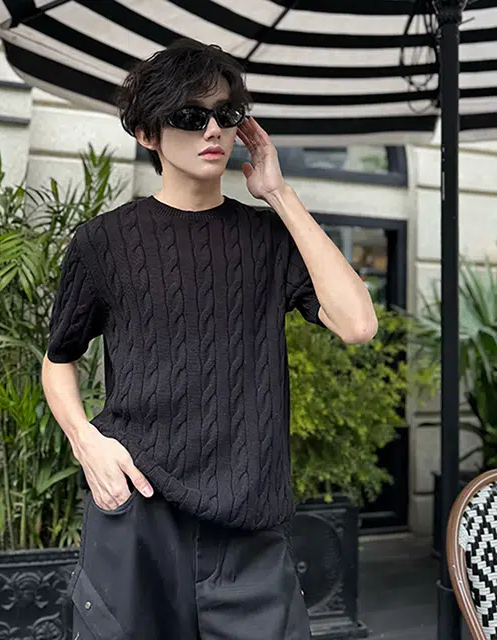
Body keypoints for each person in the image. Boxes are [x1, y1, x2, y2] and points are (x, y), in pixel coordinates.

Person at [42, 39, 377, 640]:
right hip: (138, 513)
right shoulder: (103, 242)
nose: (213, 129)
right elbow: (58, 360)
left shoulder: (269, 238)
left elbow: (357, 324)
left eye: (226, 113)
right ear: (147, 133)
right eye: (190, 116)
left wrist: (279, 193)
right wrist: (86, 441)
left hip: (251, 531)